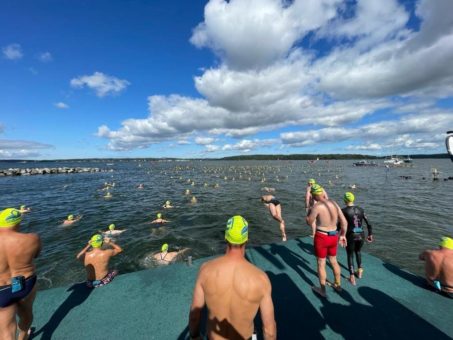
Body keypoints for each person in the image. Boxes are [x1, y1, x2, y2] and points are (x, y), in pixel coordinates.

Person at [189, 215, 276, 340]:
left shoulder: (205, 270)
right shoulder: (261, 279)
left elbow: (195, 315)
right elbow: (269, 330)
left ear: (226, 237)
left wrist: (195, 336)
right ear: (246, 239)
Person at [0, 208, 41, 340]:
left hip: (2, 289)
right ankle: (23, 337)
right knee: (26, 315)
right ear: (18, 222)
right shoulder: (33, 239)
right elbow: (36, 255)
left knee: (6, 330)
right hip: (26, 283)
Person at [306, 185, 347, 297]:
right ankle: (337, 285)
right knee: (334, 261)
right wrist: (343, 235)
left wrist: (309, 210)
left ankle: (323, 291)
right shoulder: (334, 203)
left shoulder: (316, 207)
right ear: (323, 193)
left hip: (322, 237)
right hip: (334, 236)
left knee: (321, 263)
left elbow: (309, 222)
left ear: (314, 196)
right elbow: (344, 222)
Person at [341, 192, 373, 285]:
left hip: (351, 235)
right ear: (353, 199)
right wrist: (370, 234)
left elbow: (340, 225)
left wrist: (339, 234)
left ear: (345, 200)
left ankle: (351, 277)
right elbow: (369, 223)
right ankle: (359, 271)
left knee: (350, 255)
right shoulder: (361, 209)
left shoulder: (343, 211)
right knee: (358, 252)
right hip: (361, 234)